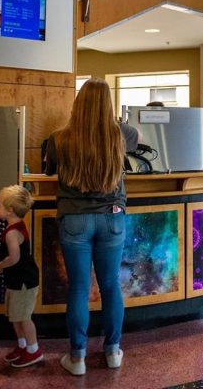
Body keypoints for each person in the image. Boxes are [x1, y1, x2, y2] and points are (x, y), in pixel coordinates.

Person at [45, 77, 139, 376]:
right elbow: (136, 141)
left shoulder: (59, 138)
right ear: (109, 104)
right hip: (112, 217)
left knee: (79, 289)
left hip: (74, 220)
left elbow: (49, 170)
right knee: (111, 286)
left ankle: (78, 358)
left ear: (78, 102)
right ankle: (112, 352)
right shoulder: (122, 134)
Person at [0, 185, 43, 368]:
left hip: (24, 282)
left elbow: (14, 258)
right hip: (17, 281)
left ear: (10, 210)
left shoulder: (12, 233)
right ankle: (22, 346)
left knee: (24, 317)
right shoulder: (14, 226)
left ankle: (34, 351)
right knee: (15, 316)